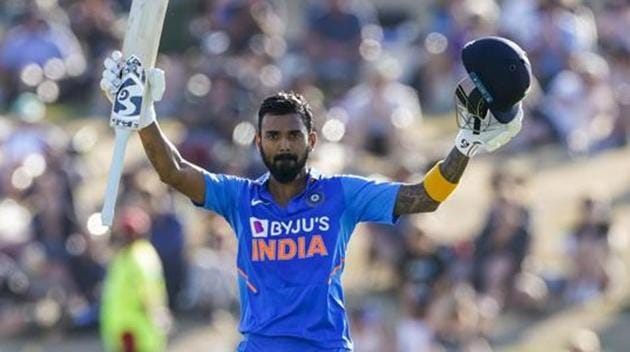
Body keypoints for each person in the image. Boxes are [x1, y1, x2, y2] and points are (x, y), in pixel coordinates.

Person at [100, 36, 531, 351]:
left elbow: (425, 197)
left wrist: (464, 146)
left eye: (292, 135)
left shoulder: (341, 194)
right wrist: (144, 116)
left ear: (311, 141)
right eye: (273, 136)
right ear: (259, 143)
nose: (283, 144)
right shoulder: (239, 198)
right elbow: (173, 171)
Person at [100, 207, 171, 352]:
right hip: (123, 329)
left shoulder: (141, 256)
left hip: (136, 331)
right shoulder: (124, 256)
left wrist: (156, 314)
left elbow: (148, 290)